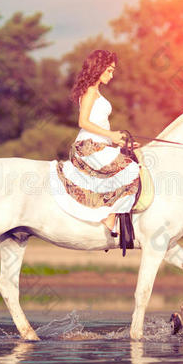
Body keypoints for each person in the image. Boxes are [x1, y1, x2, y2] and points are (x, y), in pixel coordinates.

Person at [50, 49, 141, 236]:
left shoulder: (96, 92)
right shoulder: (91, 91)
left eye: (112, 70)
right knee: (131, 169)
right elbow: (83, 122)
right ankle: (111, 215)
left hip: (100, 144)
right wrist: (111, 135)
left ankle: (111, 214)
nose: (111, 74)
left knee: (130, 166)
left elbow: (100, 126)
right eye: (109, 70)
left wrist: (121, 143)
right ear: (98, 69)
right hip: (89, 146)